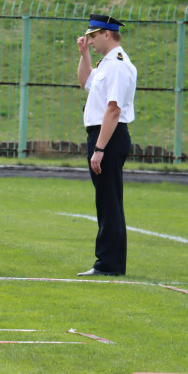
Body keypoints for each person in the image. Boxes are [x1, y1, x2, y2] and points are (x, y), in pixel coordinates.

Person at [75, 14, 137, 277]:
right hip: (101, 135)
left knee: (109, 200)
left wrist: (99, 149)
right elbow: (85, 83)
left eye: (93, 36)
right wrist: (84, 56)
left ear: (107, 34)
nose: (90, 40)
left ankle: (109, 264)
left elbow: (113, 110)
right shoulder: (107, 63)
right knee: (106, 199)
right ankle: (108, 262)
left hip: (108, 136)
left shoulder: (119, 65)